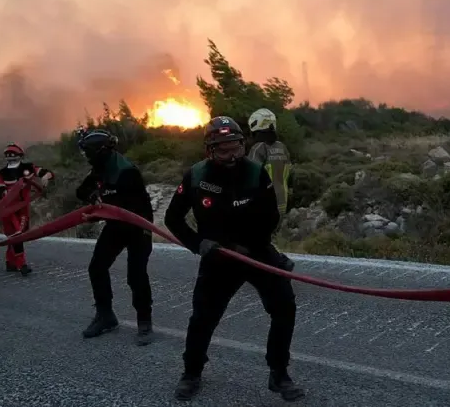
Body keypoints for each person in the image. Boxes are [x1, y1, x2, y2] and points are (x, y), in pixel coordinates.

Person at [164, 116, 305, 402]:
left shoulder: (256, 173)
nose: (232, 156)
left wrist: (248, 246)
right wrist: (198, 243)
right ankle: (191, 373)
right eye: (223, 150)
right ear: (209, 150)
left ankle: (279, 373)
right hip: (217, 258)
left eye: (236, 148)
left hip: (256, 252)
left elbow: (271, 217)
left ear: (243, 144)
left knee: (284, 308)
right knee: (203, 318)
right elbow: (172, 219)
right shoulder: (195, 176)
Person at [75, 128, 155, 346]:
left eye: (88, 152)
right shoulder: (100, 168)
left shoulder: (127, 171)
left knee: (136, 275)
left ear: (100, 151)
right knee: (97, 267)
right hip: (116, 226)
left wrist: (100, 212)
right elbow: (80, 191)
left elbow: (134, 207)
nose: (87, 157)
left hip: (138, 227)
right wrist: (92, 196)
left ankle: (145, 322)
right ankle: (105, 316)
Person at [0, 142, 54, 276]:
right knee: (16, 235)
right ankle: (22, 264)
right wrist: (7, 195)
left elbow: (46, 172)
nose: (10, 156)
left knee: (20, 234)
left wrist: (45, 177)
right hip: (8, 210)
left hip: (23, 209)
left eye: (13, 154)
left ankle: (10, 261)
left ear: (20, 155)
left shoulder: (28, 168)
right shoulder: (0, 174)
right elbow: (1, 190)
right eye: (8, 154)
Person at [247, 108, 296, 272]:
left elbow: (249, 177)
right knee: (264, 236)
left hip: (264, 203)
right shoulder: (282, 147)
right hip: (282, 201)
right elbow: (291, 174)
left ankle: (280, 263)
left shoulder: (258, 148)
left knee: (254, 237)